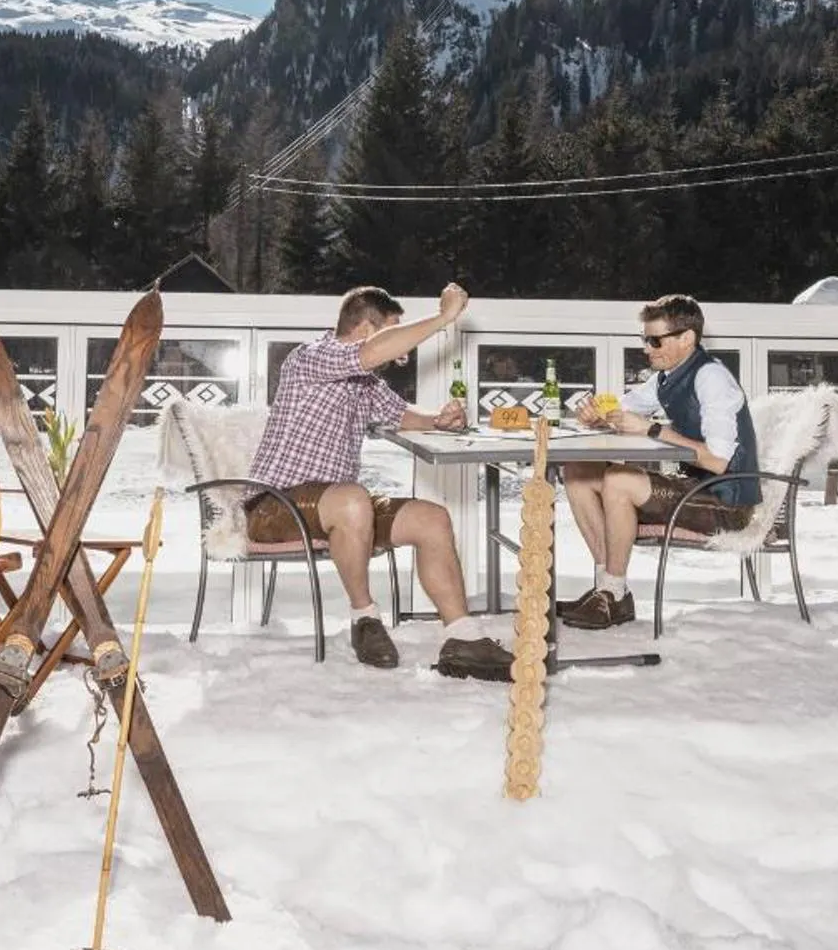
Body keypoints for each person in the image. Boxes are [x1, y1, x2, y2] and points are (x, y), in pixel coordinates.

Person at [247, 283, 514, 680]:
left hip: (337, 506)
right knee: (354, 500)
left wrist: (436, 421)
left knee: (432, 517)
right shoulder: (311, 357)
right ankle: (365, 618)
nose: (402, 355)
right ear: (368, 329)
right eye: (393, 334)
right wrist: (444, 318)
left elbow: (399, 413)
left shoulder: (365, 382)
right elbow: (372, 353)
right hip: (275, 505)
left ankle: (461, 637)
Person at [561, 295, 761, 629]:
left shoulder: (711, 378)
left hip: (727, 503)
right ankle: (609, 591)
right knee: (578, 471)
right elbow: (627, 409)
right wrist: (598, 417)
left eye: (655, 340)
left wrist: (654, 429)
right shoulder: (668, 376)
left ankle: (611, 592)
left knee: (618, 481)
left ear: (687, 339)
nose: (646, 348)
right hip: (695, 488)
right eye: (645, 339)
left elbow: (719, 461)